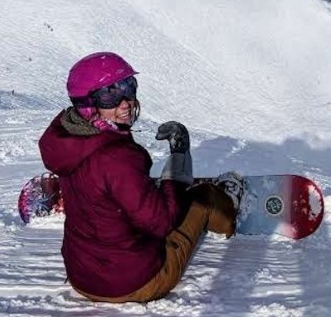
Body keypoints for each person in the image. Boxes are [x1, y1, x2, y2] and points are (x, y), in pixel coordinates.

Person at [38, 51, 239, 303]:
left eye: (128, 87)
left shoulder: (69, 138)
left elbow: (104, 178)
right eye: (109, 94)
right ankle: (231, 212)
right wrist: (176, 165)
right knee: (202, 197)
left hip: (83, 278)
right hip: (133, 283)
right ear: (88, 103)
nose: (125, 102)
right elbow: (162, 222)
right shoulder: (117, 158)